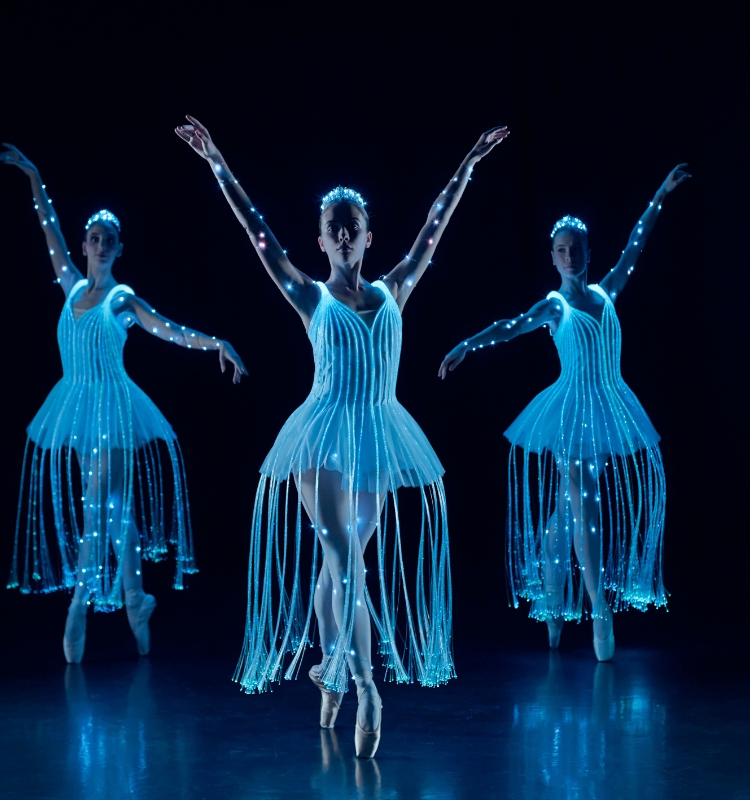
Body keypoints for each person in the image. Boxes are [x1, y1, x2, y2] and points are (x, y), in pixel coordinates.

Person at [176, 116, 507, 757]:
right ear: (324, 240)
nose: (347, 233)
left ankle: (329, 666)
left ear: (368, 236)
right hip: (321, 436)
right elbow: (257, 232)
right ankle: (365, 687)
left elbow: (434, 230)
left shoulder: (395, 289)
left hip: (378, 435)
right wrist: (217, 158)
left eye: (355, 223)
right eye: (336, 226)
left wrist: (467, 162)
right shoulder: (309, 296)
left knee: (340, 568)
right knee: (344, 561)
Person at [0, 143, 247, 663]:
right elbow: (47, 229)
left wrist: (215, 342)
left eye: (109, 241)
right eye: (93, 239)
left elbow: (169, 329)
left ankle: (76, 611)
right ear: (85, 245)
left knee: (96, 507)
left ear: (118, 248)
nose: (100, 246)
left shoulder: (120, 298)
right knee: (116, 512)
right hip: (76, 405)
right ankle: (136, 600)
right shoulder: (70, 287)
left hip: (113, 408)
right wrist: (35, 177)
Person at [439, 164, 691, 661]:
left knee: (565, 513)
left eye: (576, 248)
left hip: (611, 402)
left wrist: (660, 192)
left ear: (589, 253)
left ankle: (554, 604)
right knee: (587, 504)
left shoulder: (606, 291)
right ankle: (599, 608)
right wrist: (470, 342)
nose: (570, 256)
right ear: (552, 258)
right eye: (561, 250)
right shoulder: (556, 305)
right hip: (571, 410)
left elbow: (637, 244)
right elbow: (512, 326)